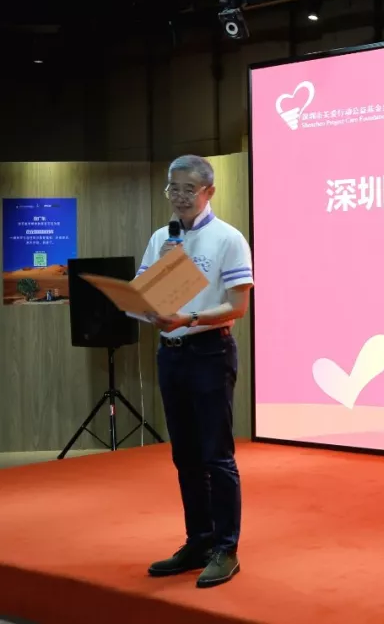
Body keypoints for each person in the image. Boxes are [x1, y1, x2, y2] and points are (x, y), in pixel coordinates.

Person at [137, 154, 254, 588]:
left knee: (216, 456)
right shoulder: (161, 238)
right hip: (171, 354)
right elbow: (144, 298)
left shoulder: (228, 238)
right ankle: (198, 541)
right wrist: (158, 284)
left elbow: (238, 306)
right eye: (174, 188)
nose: (180, 197)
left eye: (190, 189)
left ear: (209, 192)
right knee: (184, 455)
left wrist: (188, 319)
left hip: (209, 352)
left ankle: (226, 548)